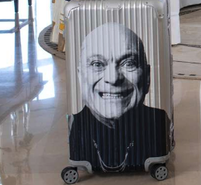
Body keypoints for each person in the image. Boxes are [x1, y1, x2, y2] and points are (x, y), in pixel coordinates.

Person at [68, 23, 171, 171]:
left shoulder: (159, 123)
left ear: (147, 77)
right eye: (97, 64)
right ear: (80, 76)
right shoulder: (74, 127)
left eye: (129, 63)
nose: (113, 78)